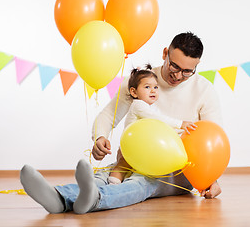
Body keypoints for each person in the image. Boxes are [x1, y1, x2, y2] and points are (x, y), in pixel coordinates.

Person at [20, 32, 223, 215]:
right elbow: (109, 114)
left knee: (141, 183)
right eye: (175, 66)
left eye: (187, 71)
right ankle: (59, 198)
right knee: (107, 174)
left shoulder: (204, 91)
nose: (178, 76)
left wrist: (210, 177)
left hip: (176, 170)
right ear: (165, 54)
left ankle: (93, 199)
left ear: (196, 67)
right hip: (136, 158)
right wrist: (101, 137)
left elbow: (213, 141)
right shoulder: (141, 80)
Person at [108, 65, 196, 184]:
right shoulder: (138, 105)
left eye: (155, 87)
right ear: (134, 92)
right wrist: (180, 124)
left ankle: (120, 182)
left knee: (131, 169)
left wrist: (179, 133)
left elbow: (160, 127)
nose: (153, 90)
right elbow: (158, 119)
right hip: (131, 147)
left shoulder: (149, 107)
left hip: (140, 148)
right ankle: (113, 183)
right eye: (147, 87)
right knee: (122, 165)